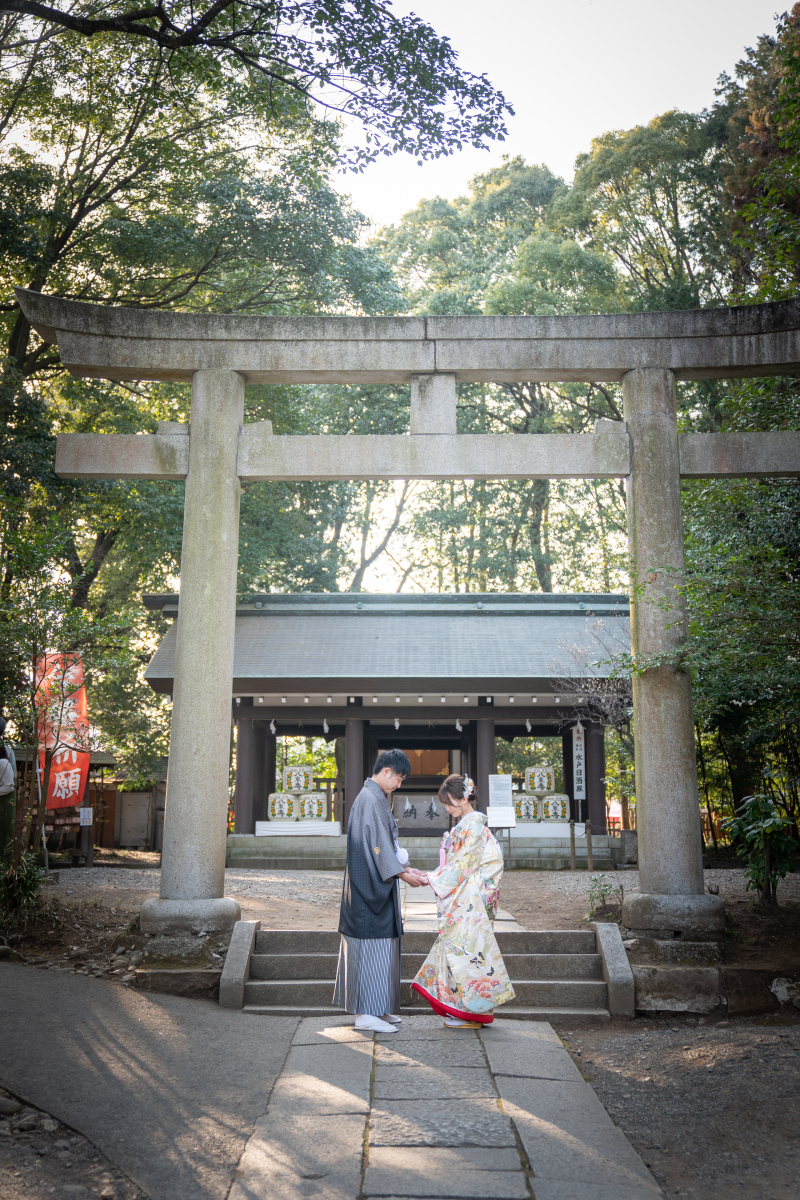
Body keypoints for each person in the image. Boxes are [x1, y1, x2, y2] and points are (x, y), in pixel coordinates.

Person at [334, 748, 426, 1034]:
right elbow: (377, 847)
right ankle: (365, 1014)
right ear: (386, 771)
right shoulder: (369, 799)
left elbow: (383, 846)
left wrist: (403, 870)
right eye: (398, 778)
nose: (398, 785)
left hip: (376, 884)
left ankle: (378, 1007)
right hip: (367, 890)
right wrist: (401, 873)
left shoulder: (374, 798)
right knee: (370, 947)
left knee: (381, 947)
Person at [411, 774, 515, 1028]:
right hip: (470, 897)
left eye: (449, 803)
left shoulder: (472, 825)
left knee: (467, 953)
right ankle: (464, 1008)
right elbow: (460, 863)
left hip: (471, 899)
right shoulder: (468, 824)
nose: (447, 808)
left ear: (463, 798)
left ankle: (471, 1012)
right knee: (463, 951)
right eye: (445, 804)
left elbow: (462, 865)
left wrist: (431, 878)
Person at [0, 716, 16, 865]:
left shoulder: (5, 753)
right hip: (7, 797)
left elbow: (10, 785)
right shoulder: (7, 749)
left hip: (5, 798)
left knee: (5, 838)